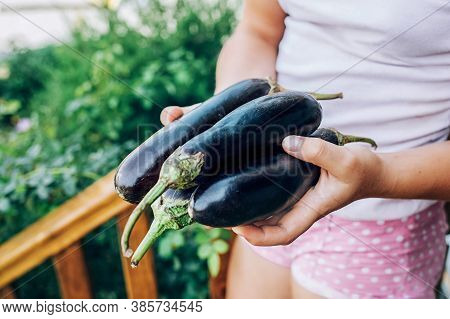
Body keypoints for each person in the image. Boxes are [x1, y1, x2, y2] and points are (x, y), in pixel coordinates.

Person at [159, 0, 450, 298]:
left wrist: (380, 175)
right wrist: (232, 120)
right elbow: (258, 30)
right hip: (264, 187)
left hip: (382, 220)